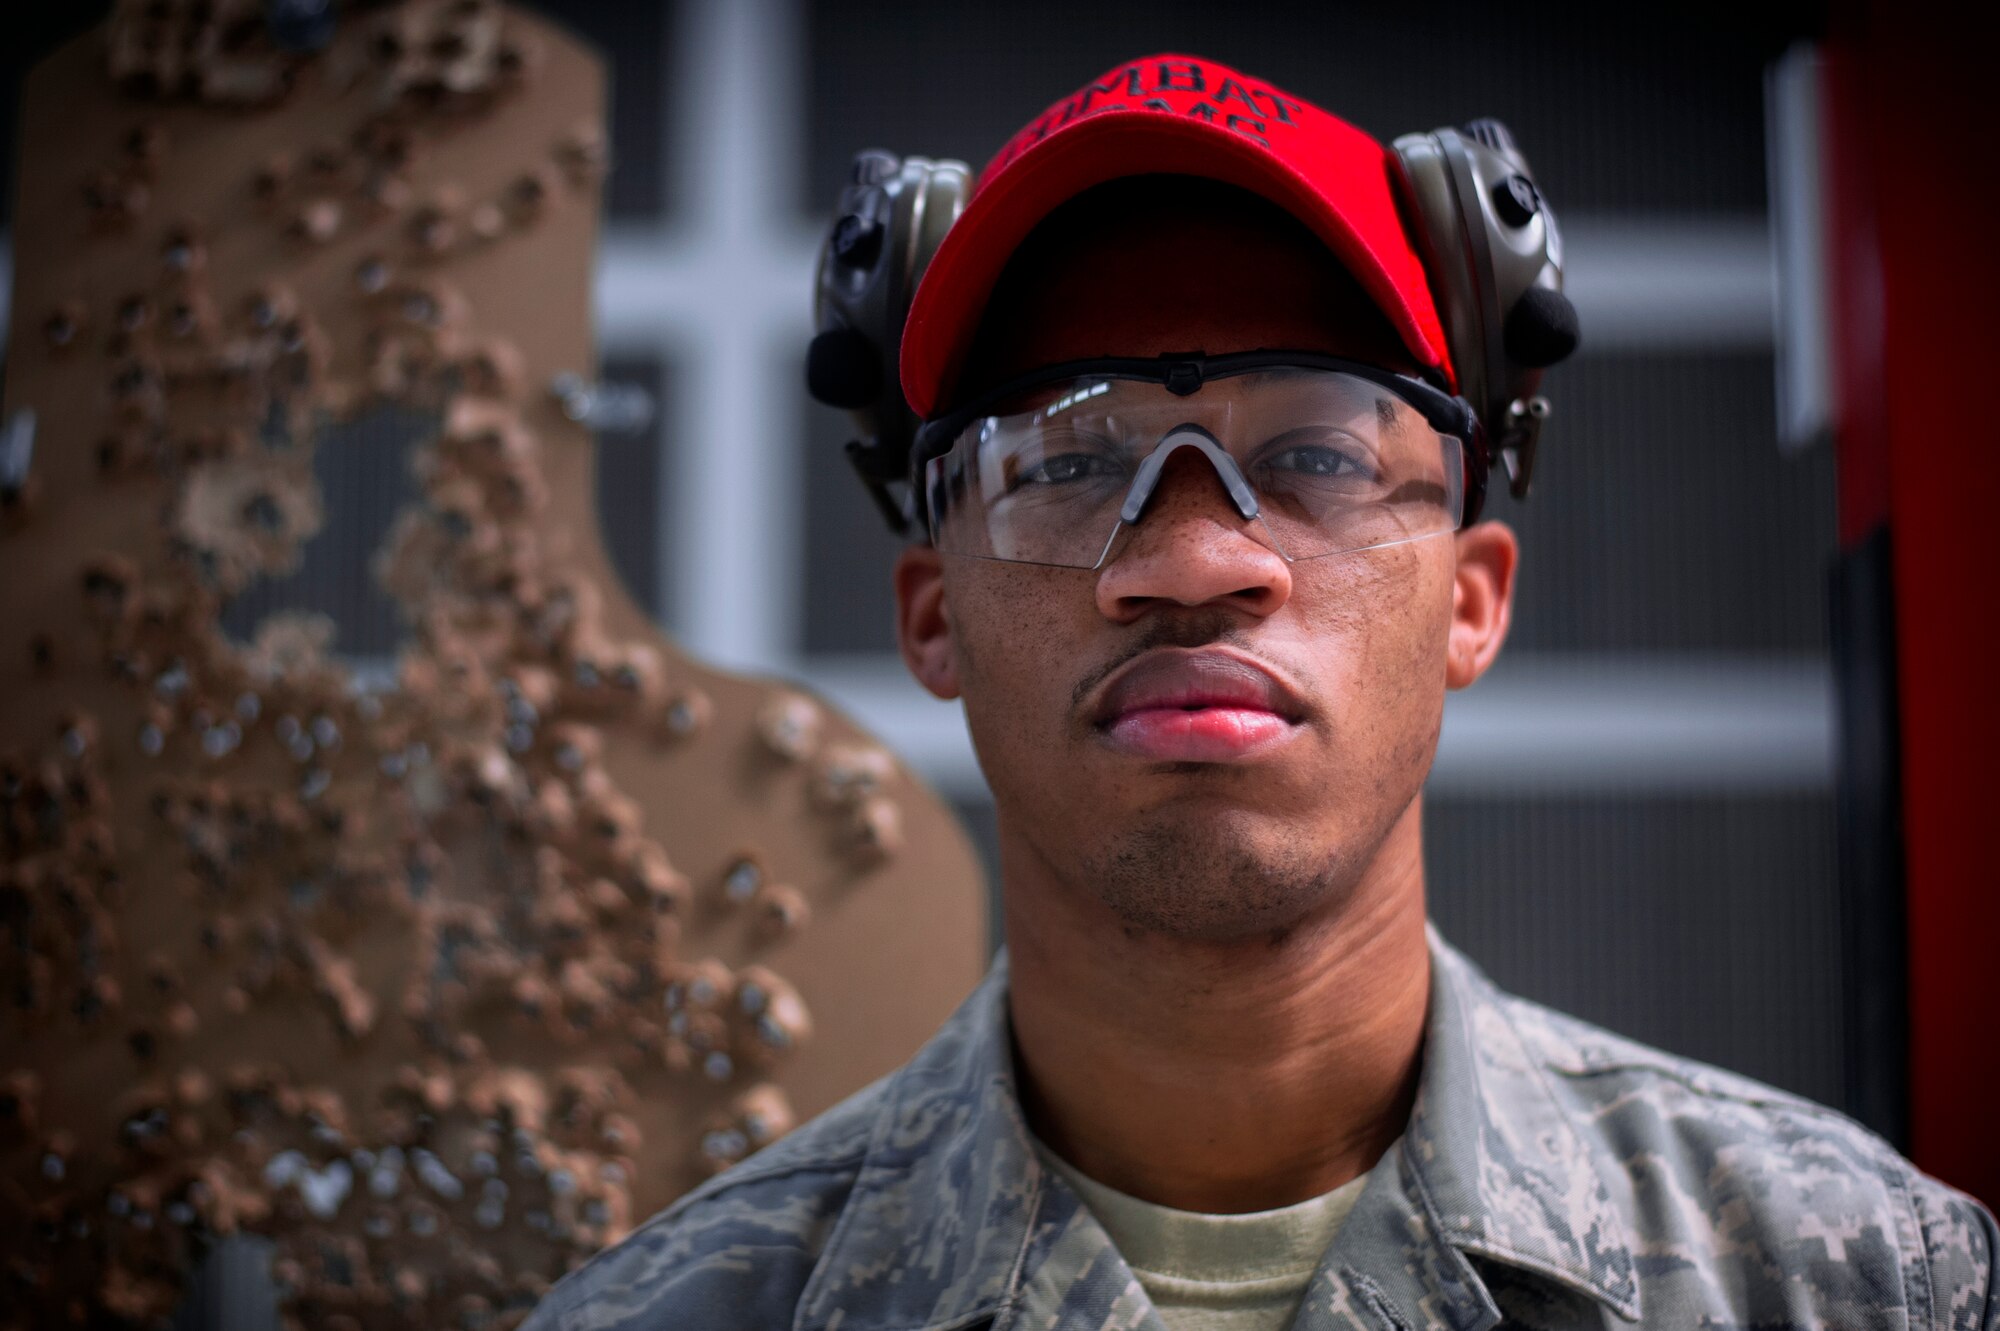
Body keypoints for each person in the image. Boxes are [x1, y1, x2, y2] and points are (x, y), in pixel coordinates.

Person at [525, 53, 1996, 1331]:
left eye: (1317, 453)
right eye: (1066, 461)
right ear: (935, 621)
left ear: (1472, 600)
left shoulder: (1862, 1283)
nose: (1194, 562)